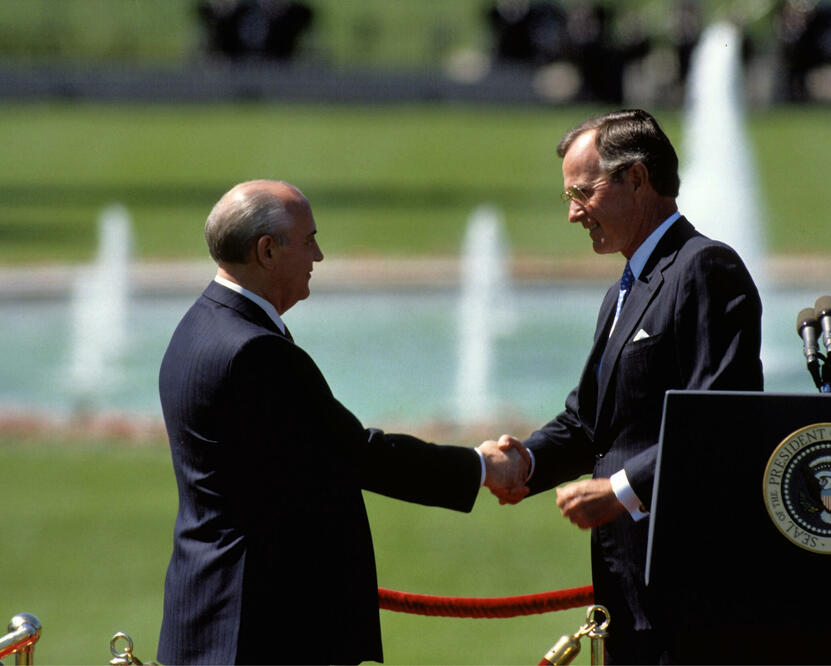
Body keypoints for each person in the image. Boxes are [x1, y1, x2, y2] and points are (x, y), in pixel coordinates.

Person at [156, 179, 529, 665]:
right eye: (309, 240)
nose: (320, 256)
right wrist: (481, 467)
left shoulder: (200, 324)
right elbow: (355, 454)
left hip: (211, 615)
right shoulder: (255, 350)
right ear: (267, 251)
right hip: (257, 628)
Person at [486, 109, 764, 664]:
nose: (572, 214)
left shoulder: (704, 267)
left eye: (582, 193)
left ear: (636, 178)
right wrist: (524, 463)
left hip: (690, 589)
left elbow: (724, 420)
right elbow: (589, 422)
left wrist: (617, 490)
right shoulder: (623, 290)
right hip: (629, 587)